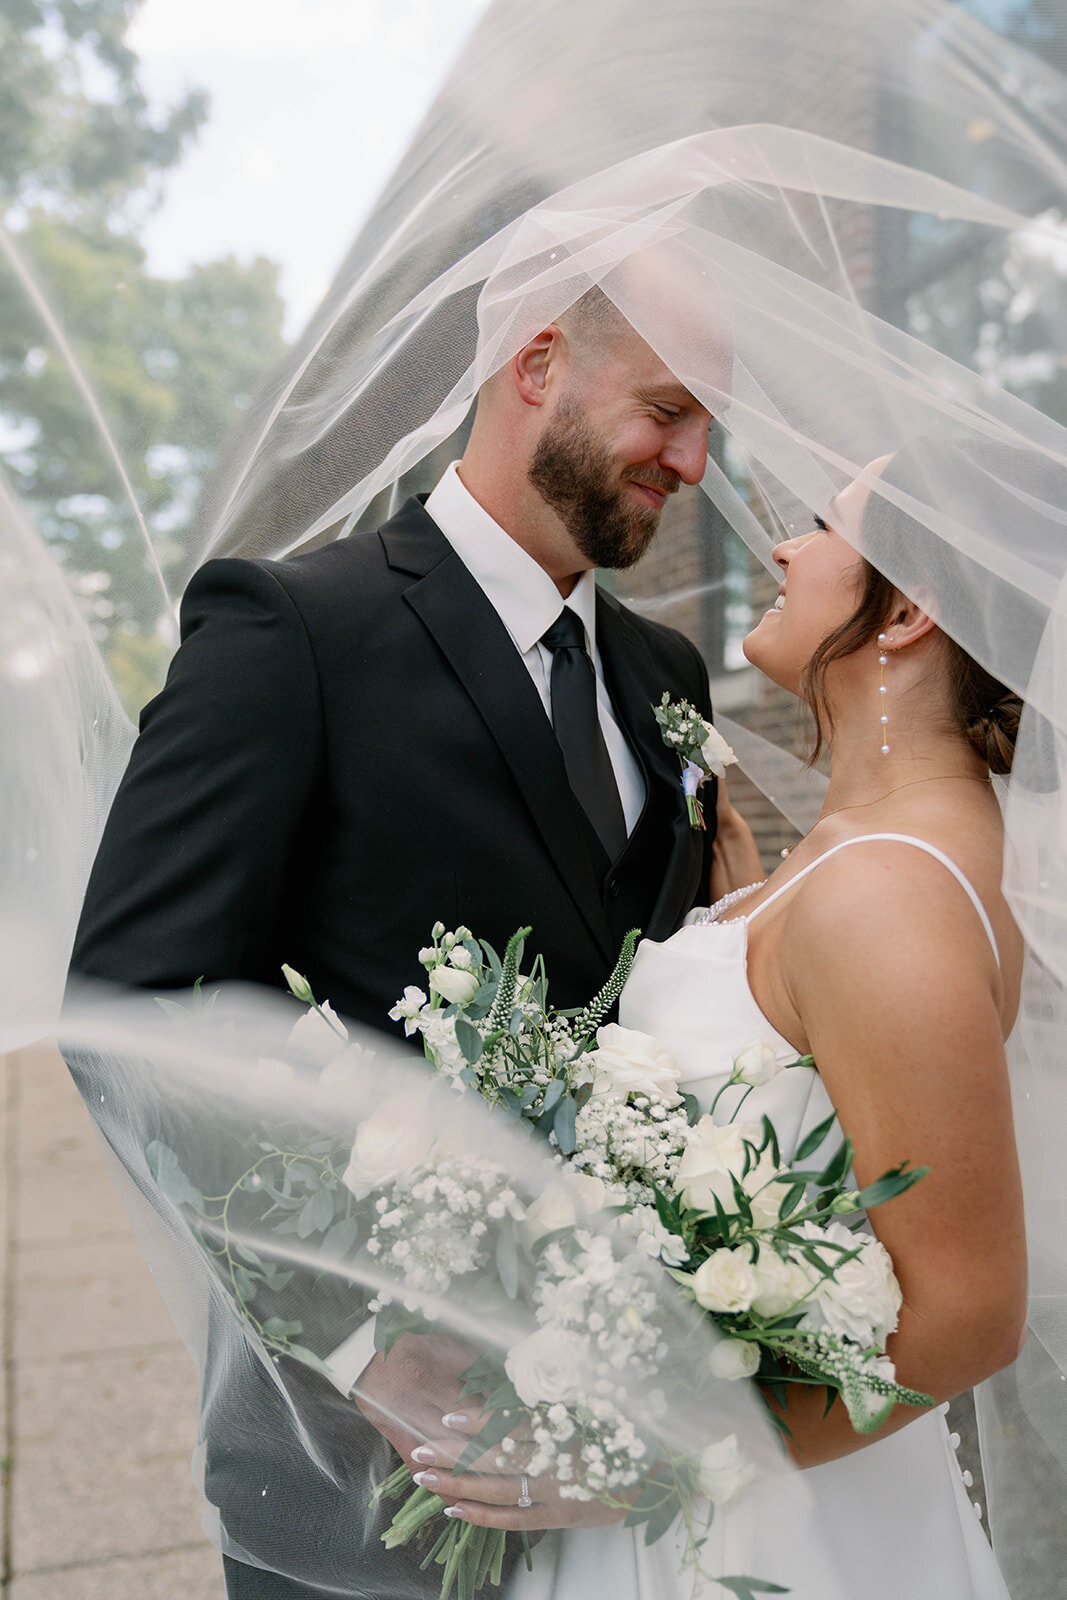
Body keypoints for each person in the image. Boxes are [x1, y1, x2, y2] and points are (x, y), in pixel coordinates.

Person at [67, 290, 722, 1599]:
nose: (694, 463)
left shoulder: (667, 679)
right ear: (537, 367)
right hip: (366, 1477)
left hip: (622, 1466)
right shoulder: (290, 627)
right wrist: (364, 1341)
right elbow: (134, 1006)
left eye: (707, 427)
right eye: (665, 410)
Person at [402, 442, 1028, 1598]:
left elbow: (968, 1313)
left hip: (764, 1532)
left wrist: (654, 1455)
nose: (783, 547)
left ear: (909, 614)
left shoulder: (883, 896)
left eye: (827, 528)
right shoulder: (856, 865)